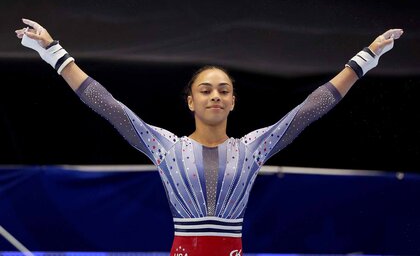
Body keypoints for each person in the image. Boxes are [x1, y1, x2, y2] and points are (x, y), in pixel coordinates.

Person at [15, 18, 403, 256]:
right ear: (190, 101)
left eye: (223, 89)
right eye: (205, 89)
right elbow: (108, 105)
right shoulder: (165, 147)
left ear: (233, 101)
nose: (214, 94)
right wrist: (53, 51)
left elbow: (310, 109)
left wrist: (365, 58)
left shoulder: (253, 149)